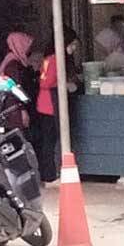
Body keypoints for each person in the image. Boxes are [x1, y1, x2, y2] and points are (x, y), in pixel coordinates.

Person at [36, 28, 80, 184]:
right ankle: (49, 176)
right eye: (72, 45)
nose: (74, 48)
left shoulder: (59, 59)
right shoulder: (53, 60)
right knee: (49, 141)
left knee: (52, 141)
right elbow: (45, 82)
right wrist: (64, 85)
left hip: (53, 105)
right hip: (48, 106)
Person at [0, 32, 35, 130]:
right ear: (19, 45)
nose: (28, 50)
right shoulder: (12, 65)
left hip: (12, 107)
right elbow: (15, 88)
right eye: (26, 46)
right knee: (18, 137)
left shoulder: (10, 61)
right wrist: (23, 110)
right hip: (14, 109)